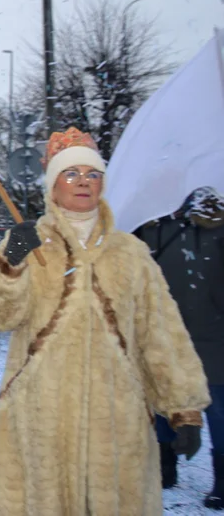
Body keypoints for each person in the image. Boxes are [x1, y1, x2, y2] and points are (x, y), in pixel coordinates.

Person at [0, 127, 210, 515]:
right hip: (40, 411)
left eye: (92, 174)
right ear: (53, 186)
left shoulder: (130, 252)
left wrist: (184, 409)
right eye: (71, 174)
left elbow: (161, 332)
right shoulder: (27, 241)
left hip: (116, 417)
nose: (83, 182)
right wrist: (9, 265)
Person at [136, 186, 224, 508]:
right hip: (164, 332)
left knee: (217, 407)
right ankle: (165, 466)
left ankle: (222, 480)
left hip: (213, 335)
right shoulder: (151, 226)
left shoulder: (216, 224)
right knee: (160, 400)